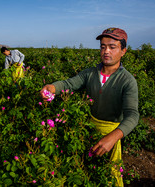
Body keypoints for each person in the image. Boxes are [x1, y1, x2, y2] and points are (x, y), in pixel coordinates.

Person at [40, 28, 139, 186]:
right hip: (88, 128)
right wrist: (52, 88)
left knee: (109, 175)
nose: (106, 51)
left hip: (111, 132)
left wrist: (113, 137)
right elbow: (68, 84)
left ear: (123, 51)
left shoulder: (127, 81)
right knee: (85, 172)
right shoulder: (90, 74)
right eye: (102, 47)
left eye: (112, 47)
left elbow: (132, 115)